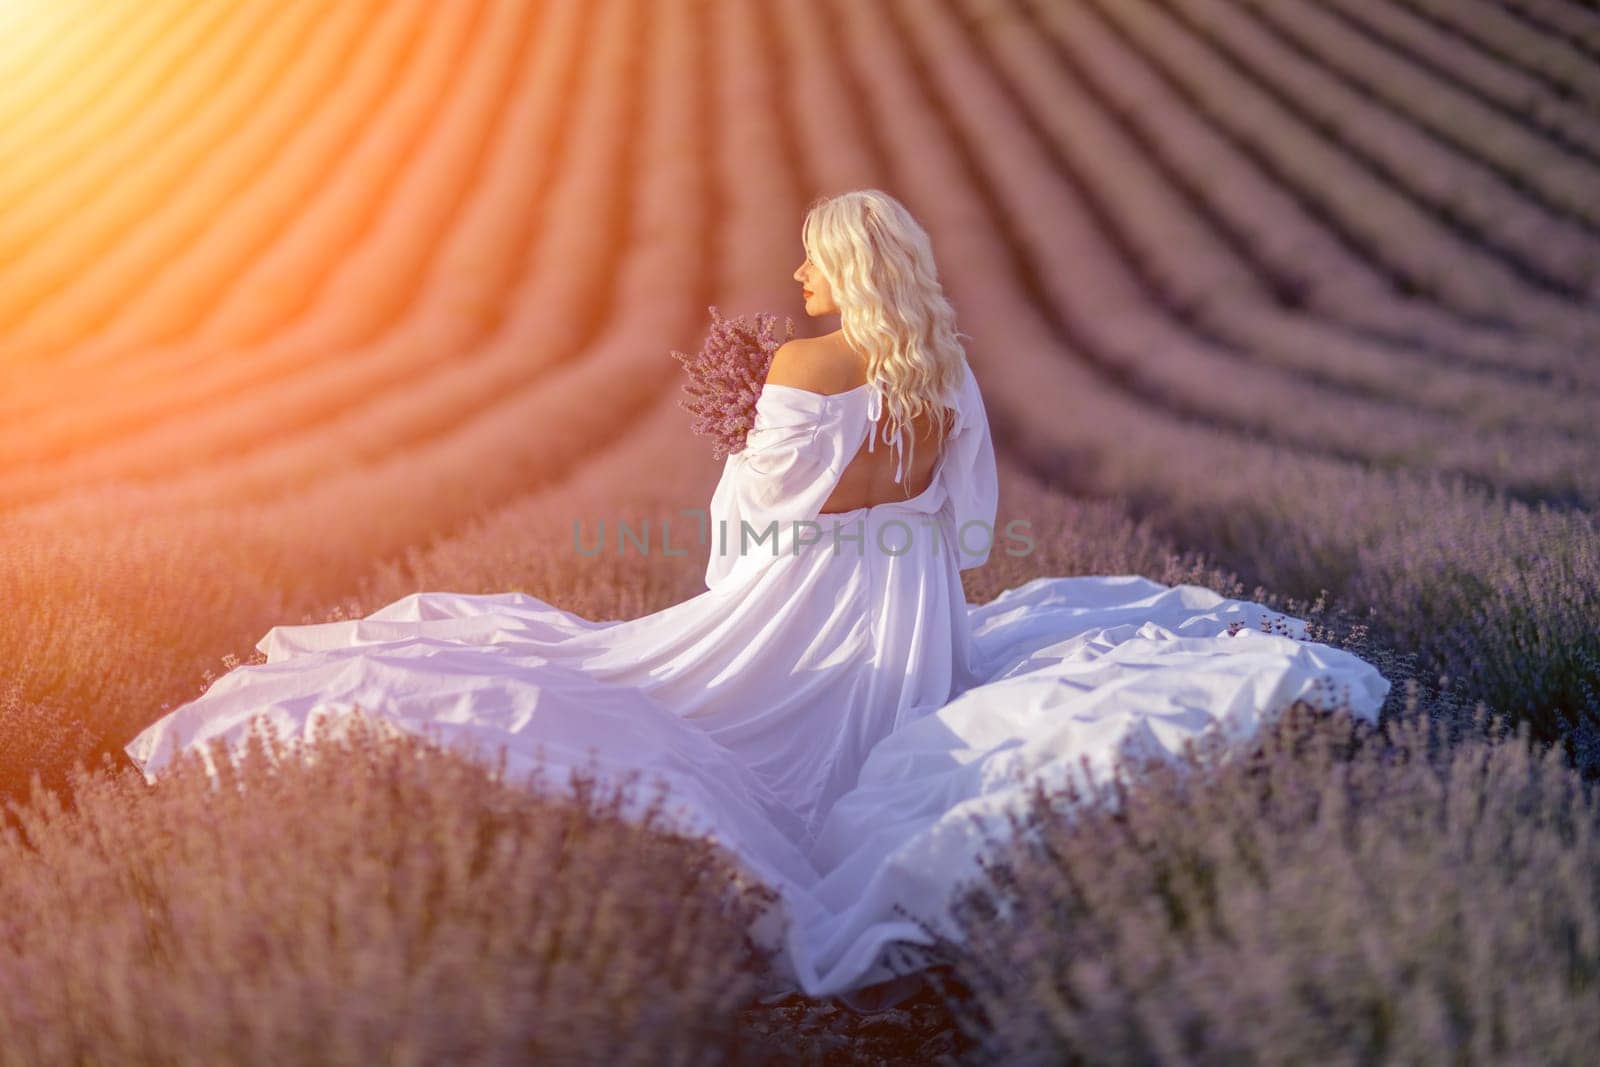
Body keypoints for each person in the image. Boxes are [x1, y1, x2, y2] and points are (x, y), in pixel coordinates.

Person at [126, 189, 1391, 1007]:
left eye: (809, 251)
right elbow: (961, 522)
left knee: (620, 691)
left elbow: (759, 519)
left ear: (845, 263)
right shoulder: (942, 363)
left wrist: (741, 464)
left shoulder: (804, 360)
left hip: (802, 606)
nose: (795, 267)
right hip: (908, 615)